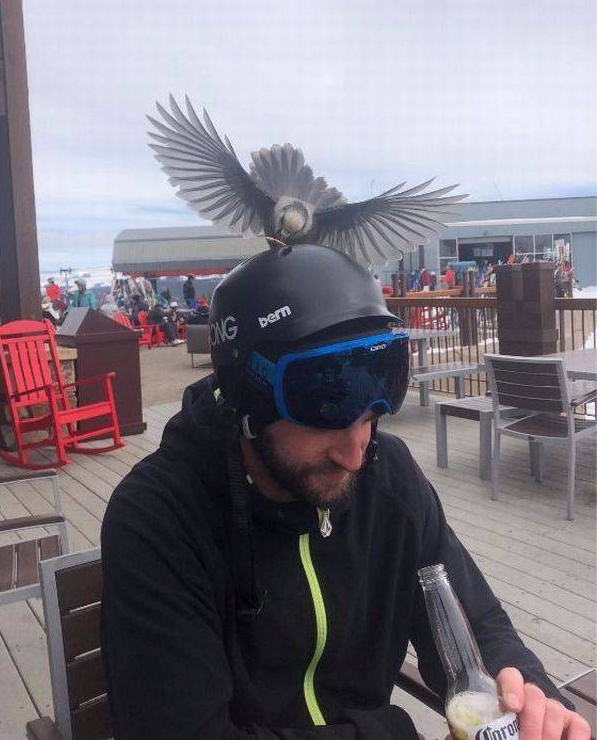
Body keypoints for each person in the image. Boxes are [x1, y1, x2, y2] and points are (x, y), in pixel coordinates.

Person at [101, 245, 587, 740]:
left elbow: (476, 620)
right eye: (325, 414)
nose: (355, 454)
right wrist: (390, 733)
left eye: (372, 416)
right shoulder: (158, 518)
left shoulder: (387, 476)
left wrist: (529, 694)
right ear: (250, 401)